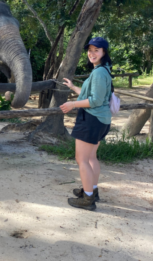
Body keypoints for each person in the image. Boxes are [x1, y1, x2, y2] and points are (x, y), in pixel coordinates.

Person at [60, 37, 112, 211]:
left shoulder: (98, 72)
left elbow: (95, 100)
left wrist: (73, 104)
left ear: (104, 52)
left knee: (81, 159)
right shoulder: (103, 70)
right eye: (90, 50)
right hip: (101, 120)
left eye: (96, 50)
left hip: (91, 119)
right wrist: (74, 87)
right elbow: (91, 93)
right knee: (91, 158)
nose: (92, 53)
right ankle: (92, 190)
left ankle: (88, 198)